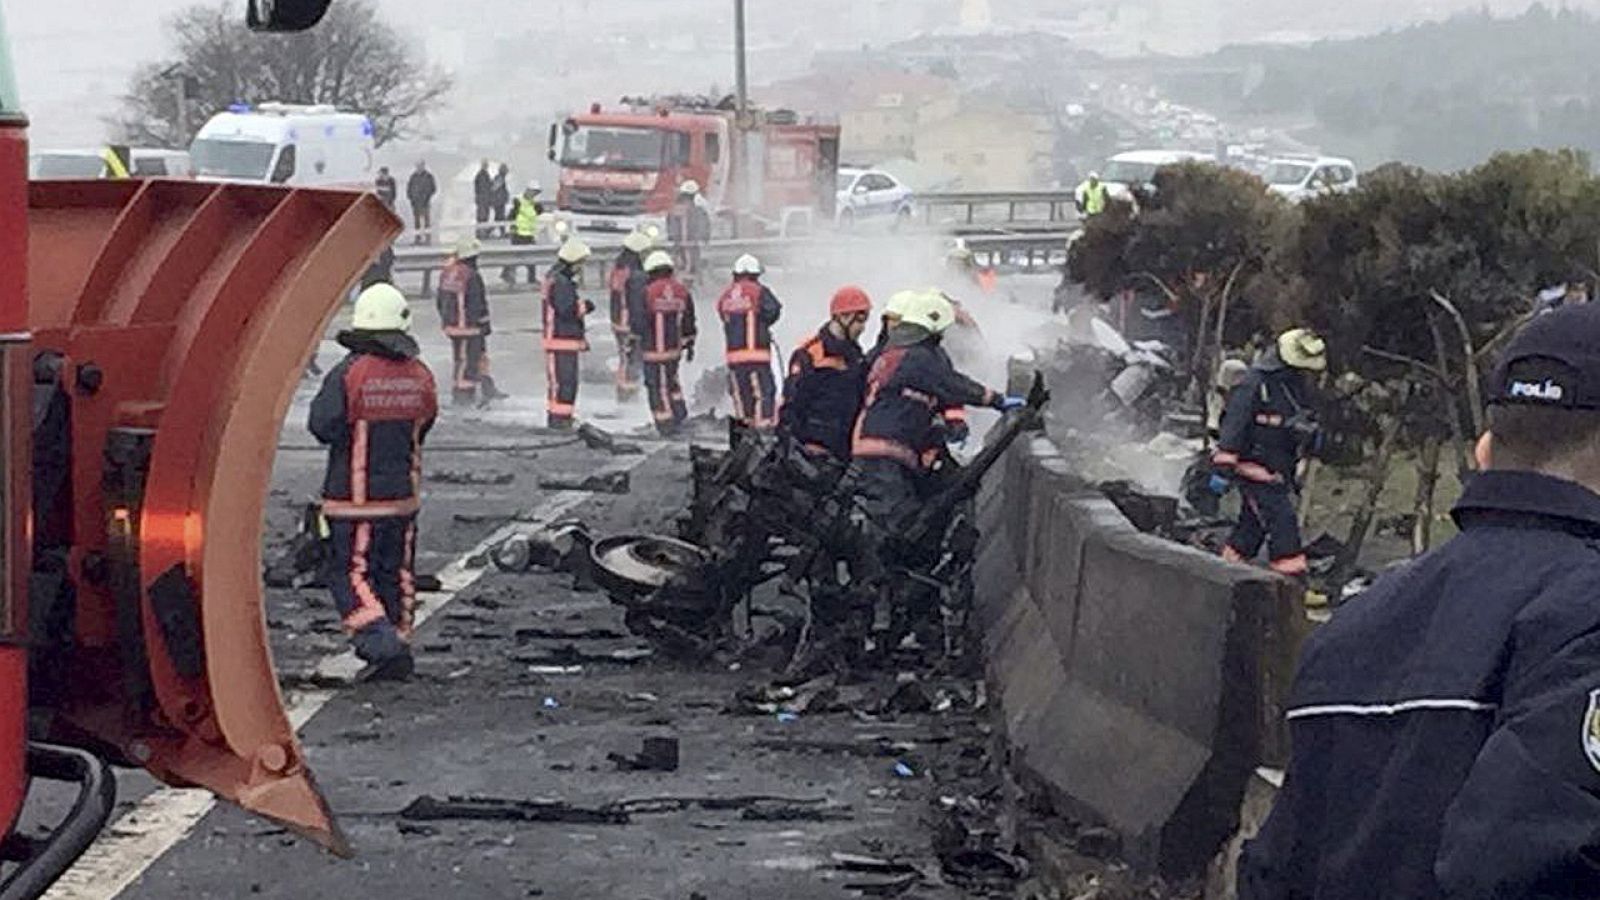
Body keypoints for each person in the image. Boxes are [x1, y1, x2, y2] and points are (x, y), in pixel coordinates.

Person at [1239, 302, 1600, 899]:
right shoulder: (1585, 617)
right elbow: (1526, 867)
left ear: (1485, 450)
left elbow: (1276, 870)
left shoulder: (1350, 628)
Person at [308, 283, 438, 681]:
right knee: (396, 572)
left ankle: (380, 641)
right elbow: (426, 423)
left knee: (349, 572)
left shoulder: (349, 373)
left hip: (354, 500)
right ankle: (398, 640)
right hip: (403, 498)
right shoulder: (421, 375)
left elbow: (323, 426)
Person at [852, 289, 1022, 535]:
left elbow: (938, 396)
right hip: (887, 449)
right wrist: (997, 400)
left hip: (890, 447)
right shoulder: (917, 358)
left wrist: (952, 423)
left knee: (905, 512)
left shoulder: (893, 354)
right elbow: (952, 384)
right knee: (898, 524)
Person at [1209, 328, 1324, 580]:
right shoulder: (1254, 384)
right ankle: (1292, 583)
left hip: (1279, 469)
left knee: (1250, 530)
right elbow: (1235, 427)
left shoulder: (1294, 387)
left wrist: (1311, 436)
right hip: (1254, 469)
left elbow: (1299, 419)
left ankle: (1224, 572)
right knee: (1283, 526)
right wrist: (1223, 467)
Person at [779, 286, 873, 461]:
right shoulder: (810, 353)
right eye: (859, 321)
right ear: (843, 317)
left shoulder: (857, 357)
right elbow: (792, 406)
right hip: (811, 451)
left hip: (843, 453)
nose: (862, 328)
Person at [633, 250, 697, 436]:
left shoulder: (647, 292)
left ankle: (665, 423)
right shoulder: (681, 291)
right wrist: (689, 343)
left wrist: (636, 342)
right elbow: (689, 321)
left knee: (658, 387)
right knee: (672, 383)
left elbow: (639, 322)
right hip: (674, 351)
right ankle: (679, 414)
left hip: (653, 351)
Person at [716, 254, 783, 429]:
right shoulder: (759, 291)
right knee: (763, 393)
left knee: (741, 396)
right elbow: (773, 310)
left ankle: (745, 433)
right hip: (757, 355)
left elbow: (723, 316)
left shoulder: (725, 295)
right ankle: (764, 430)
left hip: (734, 358)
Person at [436, 236, 505, 407]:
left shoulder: (448, 272)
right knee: (466, 361)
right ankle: (463, 394)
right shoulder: (471, 276)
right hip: (469, 328)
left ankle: (486, 386)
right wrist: (484, 325)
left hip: (453, 325)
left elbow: (439, 300)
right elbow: (478, 304)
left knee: (474, 357)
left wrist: (446, 320)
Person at [541, 238, 594, 429]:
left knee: (567, 383)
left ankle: (563, 418)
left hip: (563, 340)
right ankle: (558, 420)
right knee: (562, 383)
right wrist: (584, 307)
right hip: (560, 340)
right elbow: (566, 310)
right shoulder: (561, 283)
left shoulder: (558, 279)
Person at [609, 226, 653, 402]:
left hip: (618, 319)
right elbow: (636, 301)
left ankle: (624, 391)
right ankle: (628, 396)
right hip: (629, 322)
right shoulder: (635, 274)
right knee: (632, 359)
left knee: (625, 358)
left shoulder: (619, 267)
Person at [667, 180, 712, 283]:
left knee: (681, 268)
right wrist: (704, 238)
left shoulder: (675, 210)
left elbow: (671, 229)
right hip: (691, 246)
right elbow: (705, 226)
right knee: (692, 268)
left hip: (680, 246)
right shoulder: (698, 210)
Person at [502, 182, 544, 286]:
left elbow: (540, 213)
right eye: (534, 192)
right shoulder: (518, 201)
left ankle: (531, 278)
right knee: (516, 256)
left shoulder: (534, 203)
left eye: (536, 193)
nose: (535, 195)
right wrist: (512, 228)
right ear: (528, 190)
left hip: (529, 234)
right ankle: (508, 275)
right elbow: (511, 216)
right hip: (518, 233)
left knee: (531, 257)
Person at [406, 160, 437, 245]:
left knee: (426, 221)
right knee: (417, 222)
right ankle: (417, 239)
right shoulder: (413, 177)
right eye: (417, 166)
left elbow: (433, 188)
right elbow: (409, 188)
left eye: (420, 166)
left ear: (424, 166)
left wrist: (426, 197)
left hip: (425, 203)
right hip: (415, 203)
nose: (419, 168)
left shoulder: (428, 176)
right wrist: (411, 198)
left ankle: (427, 239)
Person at [472, 159, 493, 237]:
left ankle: (482, 232)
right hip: (482, 200)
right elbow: (482, 188)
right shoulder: (481, 175)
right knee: (482, 217)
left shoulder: (484, 175)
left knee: (484, 217)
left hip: (484, 200)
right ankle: (480, 233)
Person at [490, 163, 511, 236]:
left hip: (499, 202)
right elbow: (494, 188)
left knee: (499, 218)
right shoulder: (499, 178)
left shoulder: (500, 178)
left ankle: (491, 231)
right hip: (498, 202)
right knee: (500, 217)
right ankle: (500, 232)